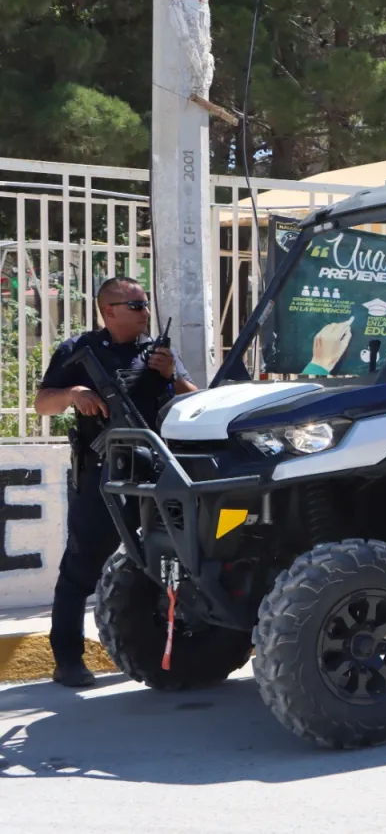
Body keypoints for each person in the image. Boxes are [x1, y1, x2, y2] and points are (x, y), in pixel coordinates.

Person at [35, 276, 198, 687]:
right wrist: (74, 393)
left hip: (157, 468)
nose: (146, 313)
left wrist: (172, 376)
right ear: (109, 311)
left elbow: (195, 400)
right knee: (82, 565)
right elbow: (42, 403)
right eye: (137, 306)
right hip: (100, 472)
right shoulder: (79, 350)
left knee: (169, 560)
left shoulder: (157, 352)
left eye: (145, 305)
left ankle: (173, 649)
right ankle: (68, 659)